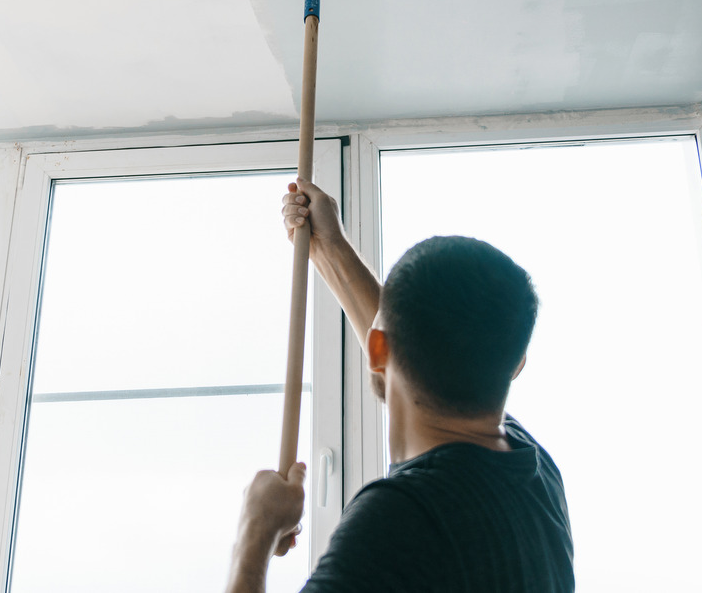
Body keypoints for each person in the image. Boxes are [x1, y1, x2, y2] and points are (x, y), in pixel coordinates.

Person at [224, 179, 575, 593]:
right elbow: (417, 350)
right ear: (516, 364)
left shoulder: (397, 521)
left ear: (379, 349)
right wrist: (328, 249)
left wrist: (254, 532)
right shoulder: (531, 468)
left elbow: (405, 348)